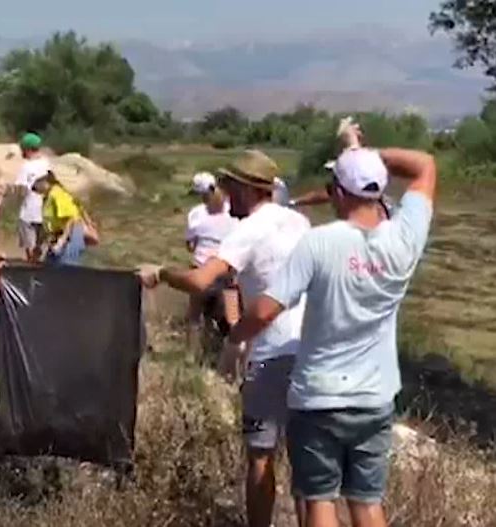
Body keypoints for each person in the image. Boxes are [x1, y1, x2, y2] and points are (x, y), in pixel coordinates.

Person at [226, 147, 436, 527]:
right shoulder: (405, 239)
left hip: (318, 397)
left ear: (338, 192)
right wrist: (370, 155)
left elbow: (266, 310)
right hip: (375, 397)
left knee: (320, 501)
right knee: (367, 503)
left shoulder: (319, 242)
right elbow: (425, 165)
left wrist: (235, 336)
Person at [138, 150, 311, 527]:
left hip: (271, 353)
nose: (225, 194)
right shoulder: (299, 222)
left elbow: (201, 280)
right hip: (313, 350)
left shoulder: (246, 231)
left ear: (246, 188)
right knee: (307, 462)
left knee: (261, 455)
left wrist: (161, 272)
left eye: (229, 186)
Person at [184, 172, 239, 348]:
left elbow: (190, 245)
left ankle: (191, 355)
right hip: (227, 268)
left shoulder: (196, 213)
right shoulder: (233, 209)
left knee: (194, 317)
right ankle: (232, 353)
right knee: (233, 319)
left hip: (201, 268)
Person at [32, 172, 86, 266]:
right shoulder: (47, 197)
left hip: (70, 235)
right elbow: (48, 224)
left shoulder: (57, 194)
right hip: (57, 235)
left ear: (45, 183)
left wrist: (62, 241)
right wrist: (41, 244)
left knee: (65, 266)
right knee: (50, 265)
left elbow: (70, 219)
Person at [15, 133, 50, 262]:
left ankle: (31, 267)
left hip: (28, 213)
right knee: (39, 248)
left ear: (27, 149)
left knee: (30, 249)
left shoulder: (26, 166)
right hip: (45, 212)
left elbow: (21, 190)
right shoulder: (47, 164)